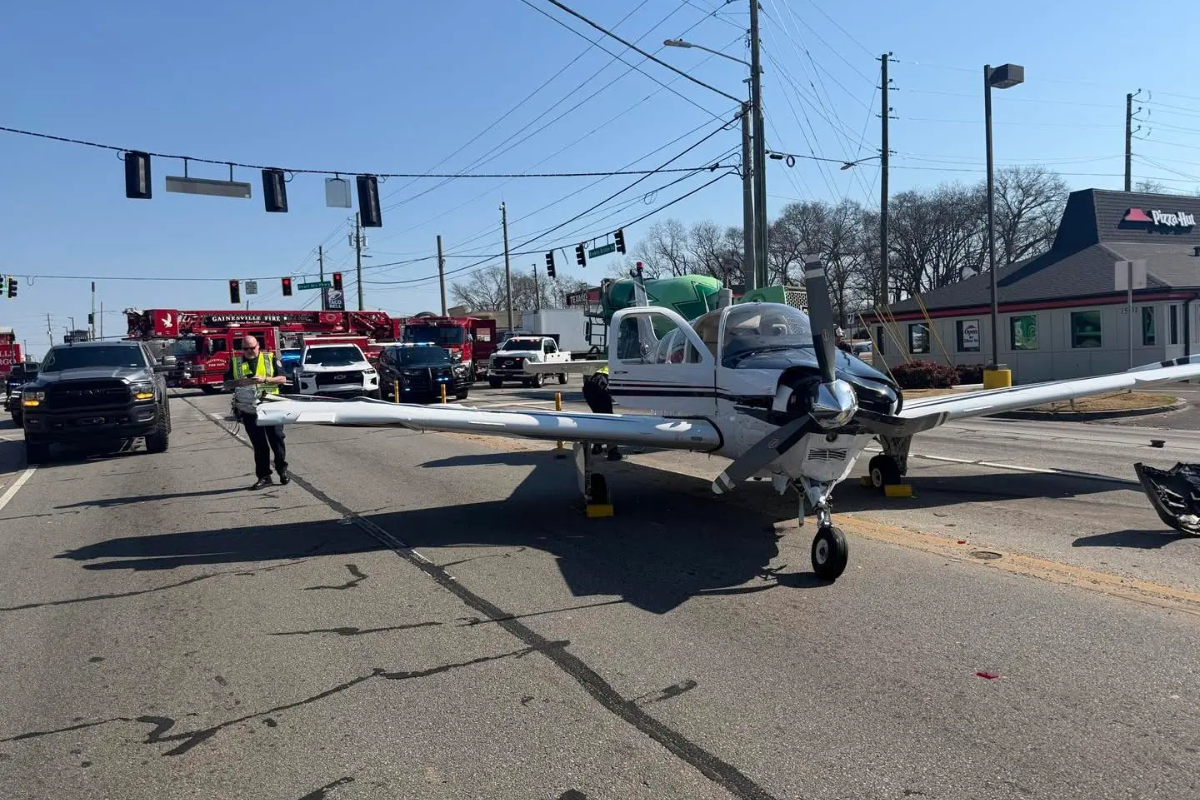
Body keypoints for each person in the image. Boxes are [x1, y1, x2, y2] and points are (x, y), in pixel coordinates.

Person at [223, 335, 289, 489]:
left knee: (277, 440)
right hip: (248, 409)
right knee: (259, 445)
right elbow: (226, 384)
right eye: (246, 348)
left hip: (271, 406)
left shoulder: (270, 358)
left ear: (258, 346)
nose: (250, 351)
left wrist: (265, 379)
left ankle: (282, 469)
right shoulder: (235, 362)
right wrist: (240, 382)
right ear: (242, 349)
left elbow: (283, 379)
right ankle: (264, 476)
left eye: (252, 347)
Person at [582, 364, 621, 461]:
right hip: (600, 384)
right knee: (609, 419)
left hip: (589, 386)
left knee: (598, 416)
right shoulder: (616, 364)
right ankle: (612, 451)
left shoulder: (601, 363)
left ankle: (597, 446)